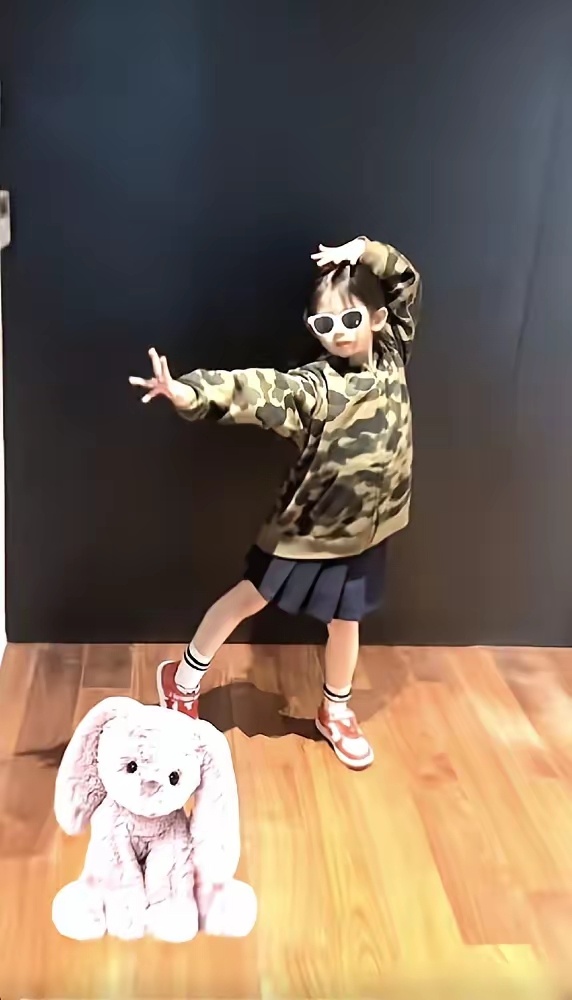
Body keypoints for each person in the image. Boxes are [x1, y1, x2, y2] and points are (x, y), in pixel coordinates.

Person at [130, 236, 421, 770]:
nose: (338, 333)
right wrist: (189, 393)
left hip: (367, 533)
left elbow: (405, 280)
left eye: (350, 319)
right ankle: (182, 680)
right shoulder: (316, 387)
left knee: (346, 621)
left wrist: (364, 250)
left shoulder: (393, 353)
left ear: (378, 318)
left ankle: (335, 711)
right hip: (307, 532)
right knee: (249, 598)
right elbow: (255, 390)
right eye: (325, 324)